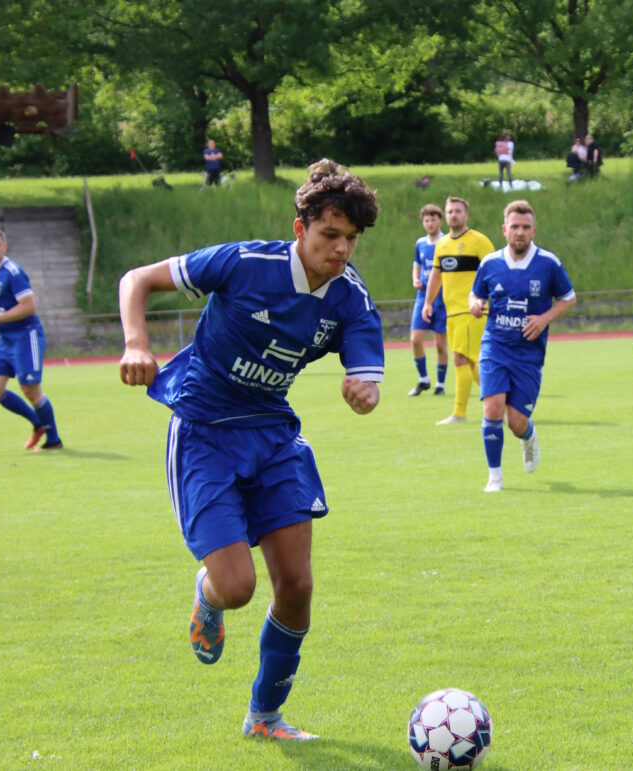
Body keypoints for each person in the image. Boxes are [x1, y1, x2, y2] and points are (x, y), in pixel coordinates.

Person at [118, 159, 383, 743]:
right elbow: (136, 279)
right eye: (329, 235)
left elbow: (366, 372)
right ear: (300, 228)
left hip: (273, 435)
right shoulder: (243, 263)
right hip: (204, 432)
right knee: (237, 588)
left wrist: (365, 390)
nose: (341, 249)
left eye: (350, 238)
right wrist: (136, 343)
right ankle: (207, 594)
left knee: (298, 586)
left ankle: (264, 717)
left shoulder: (350, 297)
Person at [469, 200, 576, 492]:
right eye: (514, 226)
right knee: (492, 408)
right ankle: (495, 477)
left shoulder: (548, 263)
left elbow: (568, 298)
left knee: (516, 422)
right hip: (495, 346)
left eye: (525, 227)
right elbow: (475, 294)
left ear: (533, 231)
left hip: (529, 354)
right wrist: (475, 304)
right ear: (504, 229)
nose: (520, 232)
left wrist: (544, 319)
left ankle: (528, 437)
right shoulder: (490, 263)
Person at [0, 228, 62, 449]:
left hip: (25, 335)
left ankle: (53, 440)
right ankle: (37, 423)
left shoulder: (13, 272)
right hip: (5, 339)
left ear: (5, 246)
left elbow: (29, 306)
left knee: (30, 389)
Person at [423, 197, 495, 425]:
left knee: (462, 359)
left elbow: (495, 272)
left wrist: (487, 300)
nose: (453, 215)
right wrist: (427, 302)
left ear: (466, 215)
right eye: (450, 211)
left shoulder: (479, 241)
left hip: (473, 311)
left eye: (458, 211)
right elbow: (436, 275)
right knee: (471, 363)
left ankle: (460, 413)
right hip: (452, 313)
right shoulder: (442, 244)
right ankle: (500, 400)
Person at [408, 203, 448, 396]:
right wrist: (415, 279)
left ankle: (440, 384)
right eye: (426, 220)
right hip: (422, 297)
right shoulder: (420, 243)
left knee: (440, 345)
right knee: (415, 340)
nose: (430, 223)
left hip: (442, 299)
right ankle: (423, 379)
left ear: (440, 221)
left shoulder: (447, 242)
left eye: (433, 219)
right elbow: (417, 265)